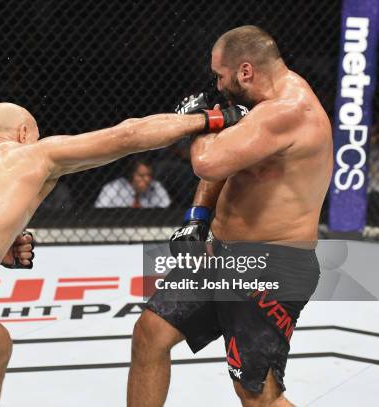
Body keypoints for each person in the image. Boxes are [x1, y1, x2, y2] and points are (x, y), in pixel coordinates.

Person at [0, 101, 246, 406]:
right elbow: (129, 135)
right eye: (36, 136)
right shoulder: (32, 155)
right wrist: (213, 119)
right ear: (24, 132)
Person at [128, 26, 332, 407]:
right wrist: (198, 216)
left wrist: (204, 121)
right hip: (220, 252)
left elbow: (209, 160)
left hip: (271, 262)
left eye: (221, 76)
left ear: (245, 71)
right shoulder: (262, 98)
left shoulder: (286, 111)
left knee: (257, 392)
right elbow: (231, 166)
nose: (217, 85)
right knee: (149, 334)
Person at [94, 158, 171, 208]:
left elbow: (167, 207)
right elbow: (99, 208)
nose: (147, 179)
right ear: (131, 175)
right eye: (141, 176)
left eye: (149, 175)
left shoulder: (155, 186)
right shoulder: (114, 187)